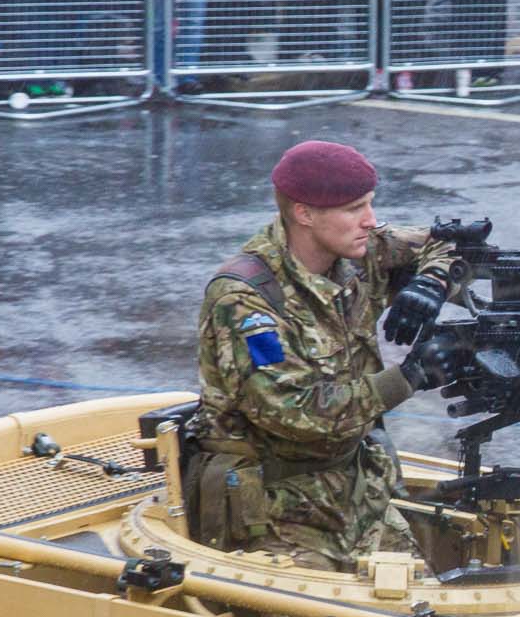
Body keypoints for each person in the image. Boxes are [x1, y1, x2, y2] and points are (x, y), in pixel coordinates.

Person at [190, 141, 463, 571]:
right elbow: (291, 412)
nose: (370, 220)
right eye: (355, 208)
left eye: (370, 204)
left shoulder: (356, 251)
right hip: (277, 509)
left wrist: (431, 283)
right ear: (304, 214)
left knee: (421, 611)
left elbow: (447, 244)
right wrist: (409, 377)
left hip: (357, 488)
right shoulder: (245, 299)